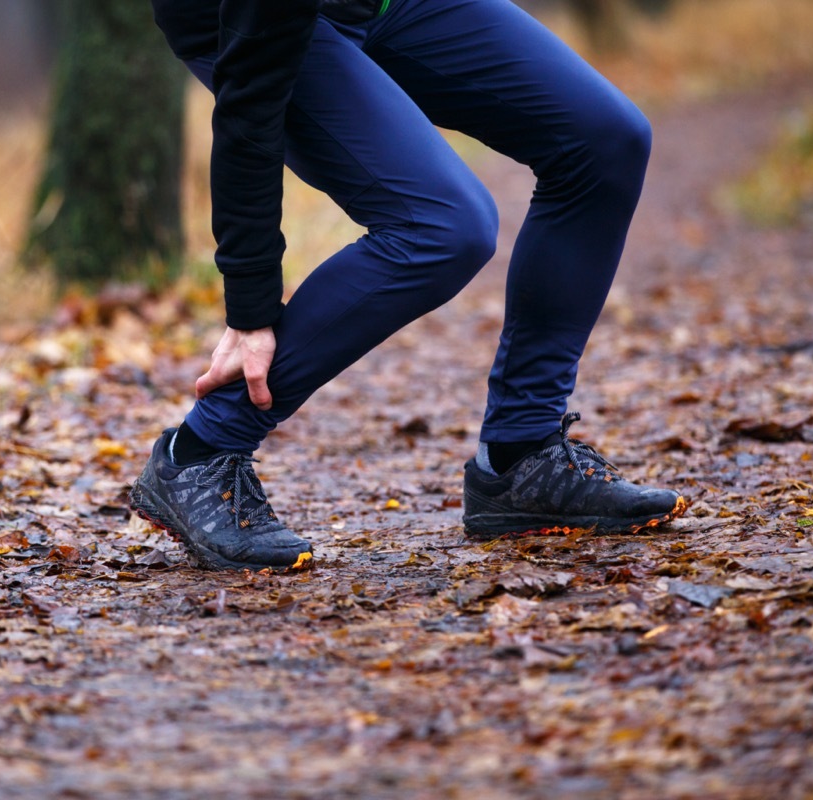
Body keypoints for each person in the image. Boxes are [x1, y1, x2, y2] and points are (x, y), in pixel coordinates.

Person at [129, 0, 689, 571]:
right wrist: (249, 307)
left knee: (606, 139)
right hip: (247, 18)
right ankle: (199, 452)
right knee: (445, 225)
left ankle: (523, 455)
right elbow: (251, 92)